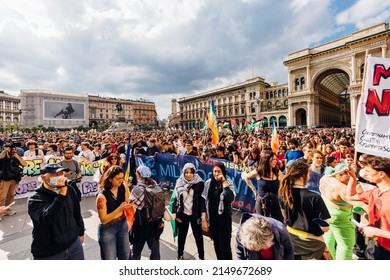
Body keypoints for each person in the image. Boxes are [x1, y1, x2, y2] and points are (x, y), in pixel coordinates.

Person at [27, 163, 85, 259]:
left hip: (74, 244)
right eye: (55, 174)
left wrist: (81, 232)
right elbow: (47, 219)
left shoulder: (69, 189)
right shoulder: (35, 198)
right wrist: (61, 196)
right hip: (51, 252)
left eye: (61, 173)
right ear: (44, 177)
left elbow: (76, 213)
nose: (59, 177)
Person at [279, 160, 331, 260]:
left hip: (292, 239)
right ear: (303, 175)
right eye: (309, 174)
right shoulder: (315, 197)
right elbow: (325, 228)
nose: (309, 176)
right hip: (313, 245)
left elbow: (285, 217)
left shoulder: (283, 193)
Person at [346, 154, 390, 260]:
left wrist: (376, 232)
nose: (365, 174)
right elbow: (350, 196)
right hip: (374, 245)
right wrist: (352, 178)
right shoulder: (374, 192)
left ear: (381, 174)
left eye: (368, 171)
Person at [319, 163, 359, 260]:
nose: (353, 177)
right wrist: (353, 180)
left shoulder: (325, 178)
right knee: (345, 245)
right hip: (340, 218)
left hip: (327, 214)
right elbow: (357, 202)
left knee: (329, 239)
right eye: (349, 174)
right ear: (340, 174)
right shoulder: (342, 189)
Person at [169, 163, 205, 260]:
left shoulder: (199, 183)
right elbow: (175, 200)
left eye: (191, 172)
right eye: (186, 172)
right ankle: (180, 254)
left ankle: (201, 256)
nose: (188, 175)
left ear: (194, 173)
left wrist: (203, 217)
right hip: (183, 214)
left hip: (195, 214)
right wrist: (176, 215)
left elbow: (202, 201)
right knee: (182, 236)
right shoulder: (179, 182)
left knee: (198, 237)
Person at [201, 162, 235, 260]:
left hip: (224, 221)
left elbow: (230, 198)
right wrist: (204, 219)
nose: (216, 174)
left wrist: (224, 181)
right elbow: (203, 201)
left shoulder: (228, 182)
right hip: (212, 221)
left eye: (219, 171)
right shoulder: (208, 183)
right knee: (217, 246)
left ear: (223, 172)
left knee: (225, 248)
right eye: (215, 171)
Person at [96, 166, 132, 260]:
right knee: (110, 258)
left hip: (122, 224)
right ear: (110, 179)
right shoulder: (102, 196)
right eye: (118, 179)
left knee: (125, 255)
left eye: (122, 178)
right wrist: (120, 209)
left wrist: (127, 187)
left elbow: (127, 201)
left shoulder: (122, 187)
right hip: (108, 228)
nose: (121, 181)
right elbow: (103, 219)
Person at [130, 166, 163, 260]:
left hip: (141, 224)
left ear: (140, 175)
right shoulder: (155, 185)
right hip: (154, 223)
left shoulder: (138, 189)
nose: (136, 174)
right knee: (154, 251)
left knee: (136, 251)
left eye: (137, 173)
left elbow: (130, 204)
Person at [245, 151, 284, 222]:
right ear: (266, 161)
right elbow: (246, 177)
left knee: (279, 222)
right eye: (273, 160)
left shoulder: (278, 172)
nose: (276, 161)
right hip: (262, 202)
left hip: (274, 201)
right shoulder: (258, 172)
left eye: (276, 159)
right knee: (261, 223)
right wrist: (254, 190)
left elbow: (282, 185)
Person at [0, 142, 27, 220]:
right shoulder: (2, 155)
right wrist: (5, 152)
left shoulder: (15, 156)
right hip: (5, 178)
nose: (8, 148)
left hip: (14, 178)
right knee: (2, 196)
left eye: (10, 147)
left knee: (11, 195)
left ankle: (7, 210)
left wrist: (17, 157)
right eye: (6, 147)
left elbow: (24, 164)